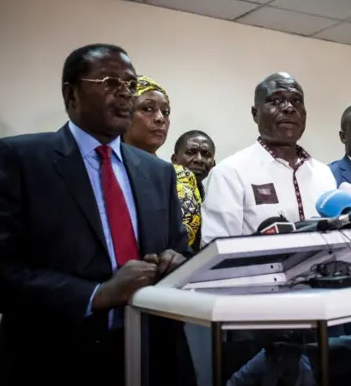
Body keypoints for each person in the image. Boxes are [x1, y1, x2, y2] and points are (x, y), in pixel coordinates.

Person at [0, 44, 189, 386]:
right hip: (51, 364)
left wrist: (177, 263)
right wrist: (96, 294)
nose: (125, 92)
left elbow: (179, 249)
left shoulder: (158, 172)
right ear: (71, 93)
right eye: (111, 82)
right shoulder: (22, 159)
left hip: (151, 359)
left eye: (130, 83)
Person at [201, 72, 336, 243]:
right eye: (276, 101)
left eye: (297, 101)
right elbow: (216, 253)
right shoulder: (229, 173)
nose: (289, 108)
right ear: (255, 114)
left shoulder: (324, 174)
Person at [122, 75, 203, 252]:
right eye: (148, 108)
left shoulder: (183, 177)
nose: (160, 118)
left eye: (165, 112)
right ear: (124, 115)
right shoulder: (112, 174)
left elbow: (197, 245)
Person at [171, 130, 216, 199]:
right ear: (174, 160)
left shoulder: (215, 198)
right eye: (190, 152)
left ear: (213, 164)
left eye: (206, 154)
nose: (199, 159)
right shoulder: (163, 192)